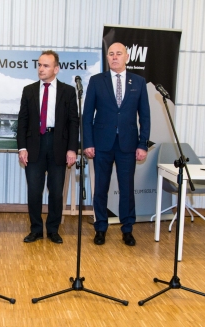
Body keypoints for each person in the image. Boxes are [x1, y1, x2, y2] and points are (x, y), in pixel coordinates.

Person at [82, 42, 151, 246]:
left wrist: (143, 144)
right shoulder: (96, 81)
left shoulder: (138, 82)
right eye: (111, 54)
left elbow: (145, 117)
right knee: (101, 188)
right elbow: (87, 116)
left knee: (127, 189)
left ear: (127, 57)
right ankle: (100, 227)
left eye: (118, 53)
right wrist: (88, 142)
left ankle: (127, 229)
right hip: (102, 144)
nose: (114, 57)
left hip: (128, 145)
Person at [17, 50, 79, 244]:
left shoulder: (68, 91)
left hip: (58, 145)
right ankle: (35, 229)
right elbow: (22, 122)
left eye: (45, 65)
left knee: (56, 190)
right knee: (34, 190)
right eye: (39, 65)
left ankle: (53, 229)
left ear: (56, 69)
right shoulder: (29, 90)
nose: (41, 69)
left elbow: (73, 122)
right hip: (34, 144)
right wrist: (22, 148)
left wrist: (72, 149)